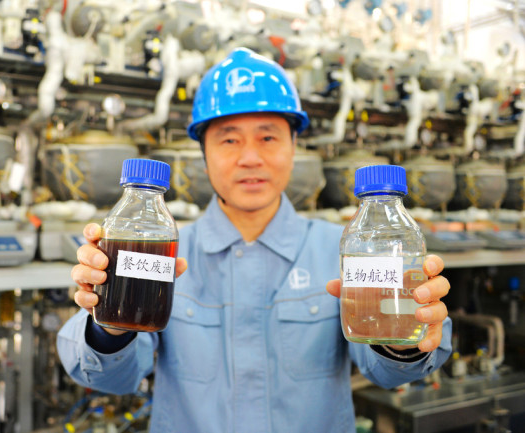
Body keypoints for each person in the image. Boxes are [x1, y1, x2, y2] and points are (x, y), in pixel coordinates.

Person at [57, 47, 452, 433]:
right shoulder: (164, 253)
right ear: (204, 153)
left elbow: (388, 372)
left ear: (294, 146)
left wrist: (407, 339)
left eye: (268, 138)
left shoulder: (350, 251)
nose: (250, 158)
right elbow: (112, 377)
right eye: (229, 140)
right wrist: (108, 323)